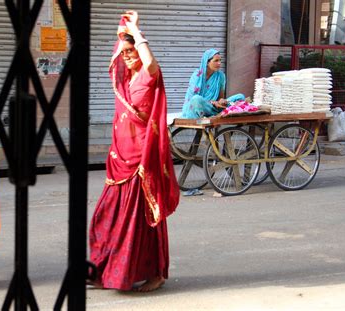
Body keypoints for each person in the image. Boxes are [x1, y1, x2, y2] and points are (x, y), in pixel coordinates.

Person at [89, 11, 180, 292]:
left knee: (144, 220)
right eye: (124, 52)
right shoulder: (124, 83)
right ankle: (105, 268)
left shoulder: (148, 76)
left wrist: (137, 32)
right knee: (107, 216)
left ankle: (156, 273)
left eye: (131, 51)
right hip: (120, 160)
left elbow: (150, 61)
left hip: (142, 159)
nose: (128, 56)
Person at [181, 49, 245, 118]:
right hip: (201, 107)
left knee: (240, 97)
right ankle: (205, 116)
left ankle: (217, 114)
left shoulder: (221, 76)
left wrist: (221, 101)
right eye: (216, 61)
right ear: (207, 62)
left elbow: (220, 97)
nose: (219, 63)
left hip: (214, 108)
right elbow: (192, 98)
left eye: (220, 60)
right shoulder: (197, 75)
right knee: (196, 99)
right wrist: (211, 102)